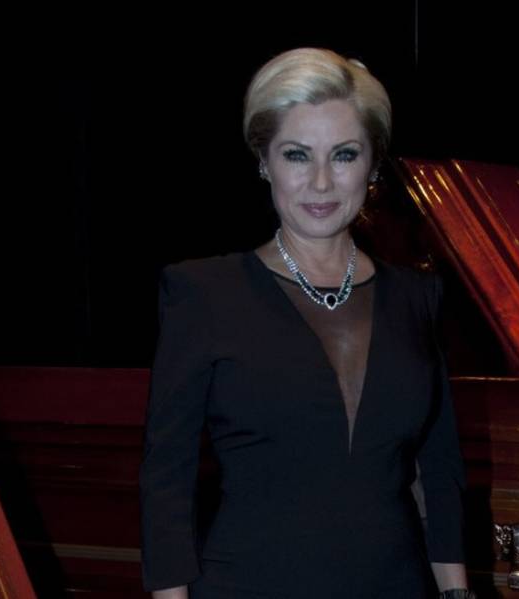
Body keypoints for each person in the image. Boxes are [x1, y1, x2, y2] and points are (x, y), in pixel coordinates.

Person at [140, 47, 473, 599]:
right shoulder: (203, 293)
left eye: (344, 155)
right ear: (264, 161)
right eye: (297, 155)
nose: (321, 183)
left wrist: (456, 593)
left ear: (373, 165)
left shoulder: (416, 296)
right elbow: (166, 479)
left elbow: (437, 471)